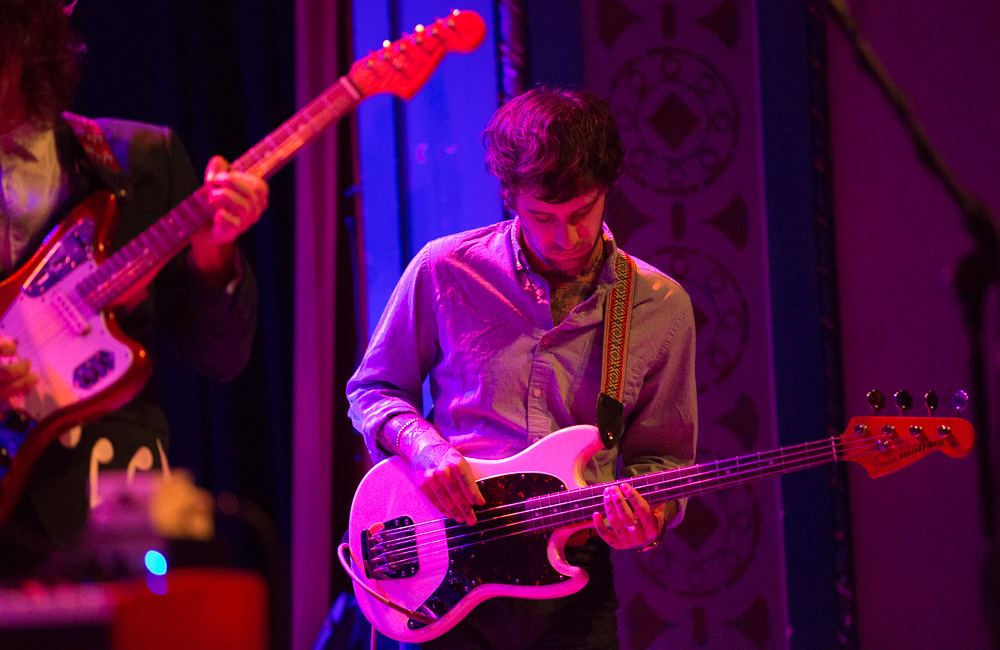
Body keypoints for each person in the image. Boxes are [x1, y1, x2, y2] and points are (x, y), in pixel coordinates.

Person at [346, 86, 697, 648]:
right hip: (444, 554)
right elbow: (374, 390)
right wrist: (424, 447)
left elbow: (663, 459)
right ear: (510, 197)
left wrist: (647, 520)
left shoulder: (660, 306)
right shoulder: (444, 270)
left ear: (606, 190)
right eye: (542, 216)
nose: (566, 237)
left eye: (582, 212)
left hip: (572, 577)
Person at [0, 0, 268, 577]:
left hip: (104, 520)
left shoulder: (138, 161)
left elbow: (221, 357)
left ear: (24, 35)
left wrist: (213, 254)